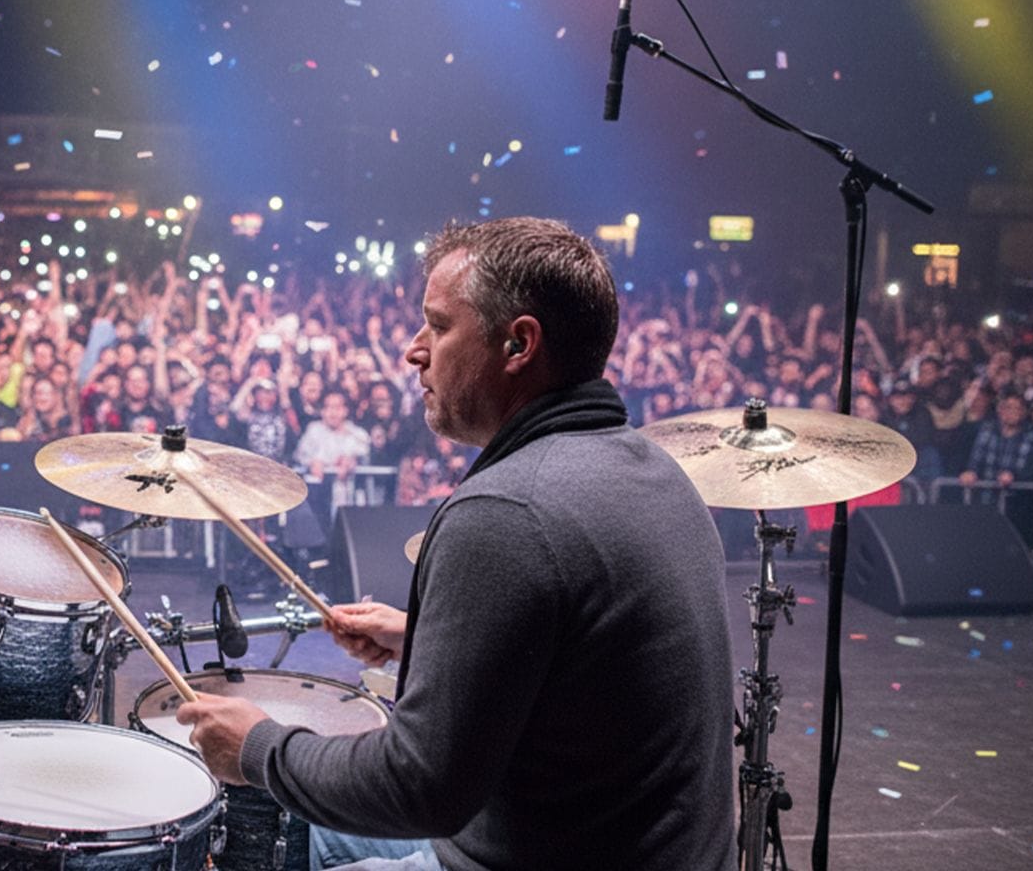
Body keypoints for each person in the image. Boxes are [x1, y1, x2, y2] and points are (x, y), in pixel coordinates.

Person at [176, 217, 735, 870]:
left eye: (439, 327)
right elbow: (589, 669)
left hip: (545, 854)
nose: (414, 351)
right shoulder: (655, 470)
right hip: (633, 845)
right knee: (293, 833)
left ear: (518, 344)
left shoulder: (505, 512)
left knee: (271, 813)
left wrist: (257, 748)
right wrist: (428, 638)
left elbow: (419, 788)